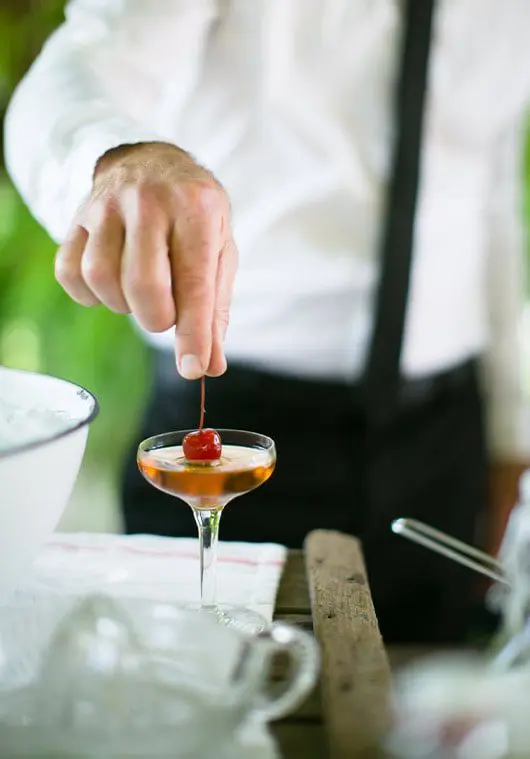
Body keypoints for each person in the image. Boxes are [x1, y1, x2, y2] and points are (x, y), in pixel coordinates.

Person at [4, 0, 530, 644]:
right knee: (204, 690)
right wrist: (116, 159)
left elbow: (492, 201)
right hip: (237, 423)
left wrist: (512, 439)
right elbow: (86, 56)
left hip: (446, 439)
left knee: (417, 709)